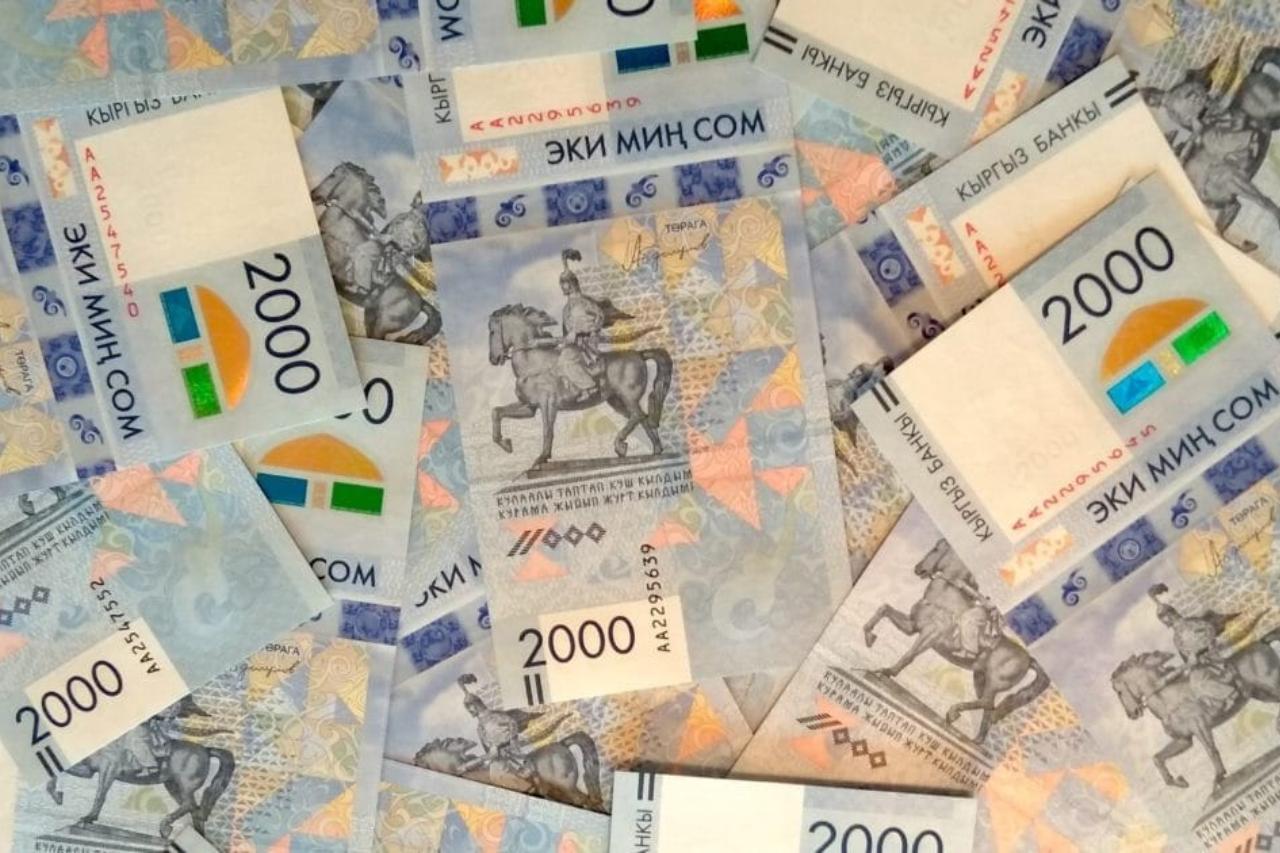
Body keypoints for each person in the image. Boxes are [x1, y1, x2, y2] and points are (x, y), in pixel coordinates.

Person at [1148, 583, 1239, 706]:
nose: (1170, 620)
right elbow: (1187, 657)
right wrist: (1190, 663)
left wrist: (1200, 650)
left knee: (1199, 683)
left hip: (1213, 653)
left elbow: (1209, 630)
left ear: (1173, 614)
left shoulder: (1191, 622)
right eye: (1165, 619)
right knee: (1193, 683)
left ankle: (1231, 695)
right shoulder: (1176, 638)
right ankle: (1218, 702)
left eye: (1169, 616)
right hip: (1201, 663)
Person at [557, 249, 605, 402]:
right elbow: (567, 332)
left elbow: (599, 317)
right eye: (561, 283)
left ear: (572, 284)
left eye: (565, 283)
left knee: (566, 362)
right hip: (574, 344)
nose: (562, 286)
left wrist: (579, 332)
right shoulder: (566, 308)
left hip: (587, 343)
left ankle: (589, 387)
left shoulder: (585, 302)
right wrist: (566, 340)